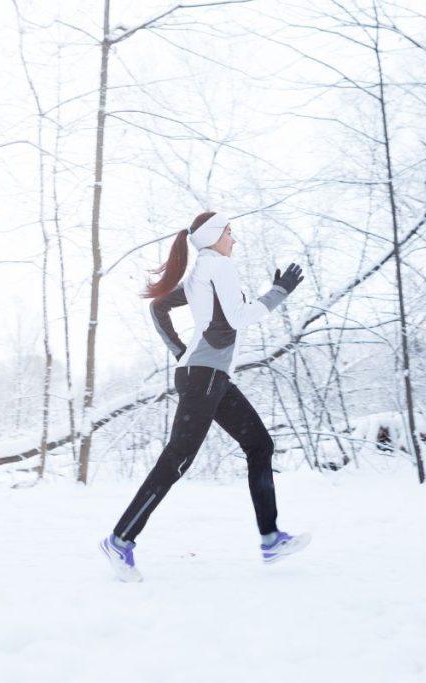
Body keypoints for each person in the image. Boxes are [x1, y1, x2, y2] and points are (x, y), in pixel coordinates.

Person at [100, 211, 311, 582]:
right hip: (205, 377)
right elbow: (238, 318)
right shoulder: (219, 266)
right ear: (214, 235)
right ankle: (120, 539)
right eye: (229, 232)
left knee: (259, 445)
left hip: (210, 376)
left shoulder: (201, 271)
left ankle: (271, 538)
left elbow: (159, 307)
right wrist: (279, 292)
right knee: (177, 460)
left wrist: (181, 353)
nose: (234, 239)